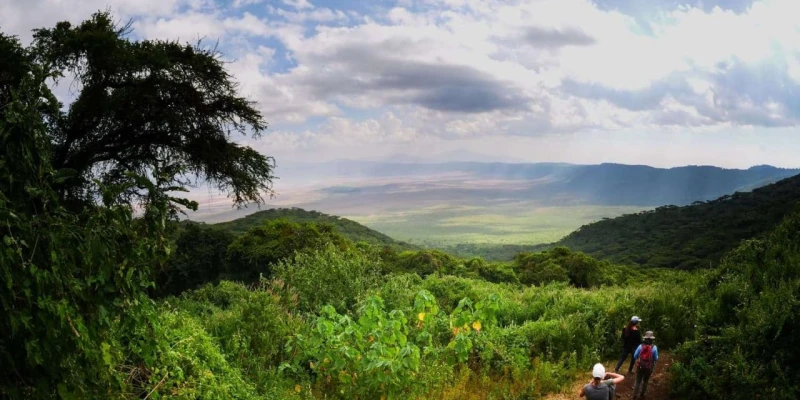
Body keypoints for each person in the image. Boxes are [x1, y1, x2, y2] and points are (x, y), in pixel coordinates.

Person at [632, 331, 659, 399]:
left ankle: (634, 395)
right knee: (645, 380)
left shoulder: (640, 346)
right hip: (649, 367)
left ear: (645, 338)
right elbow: (656, 358)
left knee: (638, 380)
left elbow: (635, 356)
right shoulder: (654, 347)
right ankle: (642, 394)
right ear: (652, 339)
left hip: (640, 366)